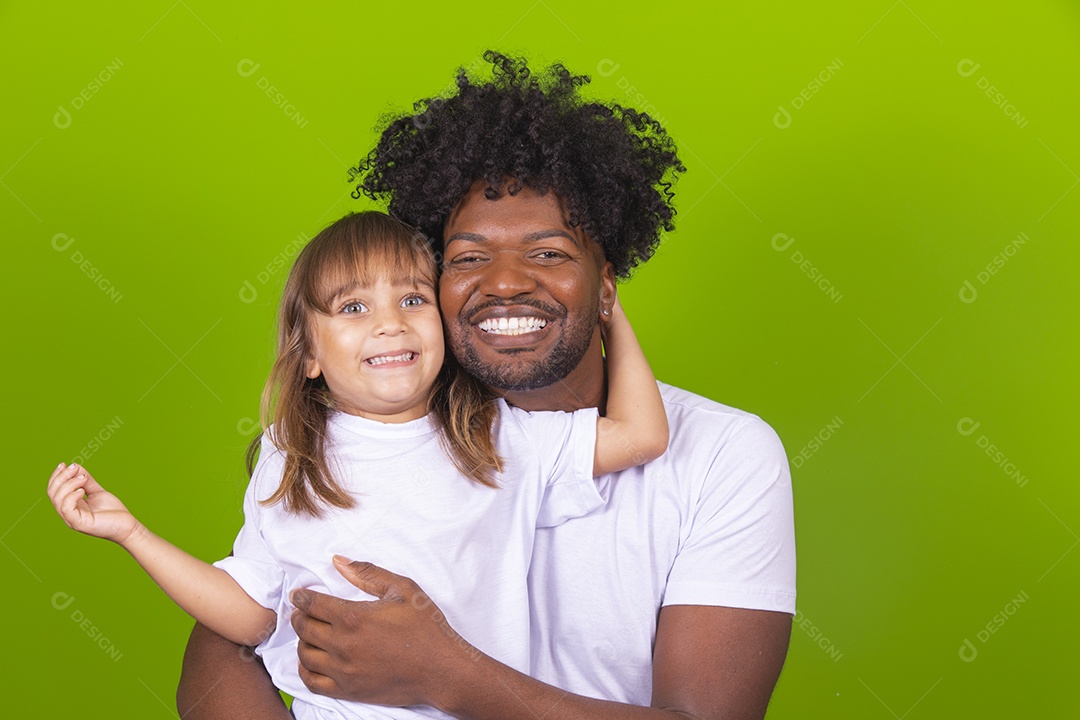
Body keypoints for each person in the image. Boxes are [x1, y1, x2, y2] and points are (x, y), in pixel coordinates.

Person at [177, 51, 796, 720]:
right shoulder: (370, 430)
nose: (504, 282)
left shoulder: (724, 455)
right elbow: (232, 638)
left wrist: (448, 674)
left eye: (548, 253)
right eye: (468, 257)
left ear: (606, 278)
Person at [47, 210, 669, 720]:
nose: (389, 324)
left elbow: (641, 435)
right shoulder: (289, 456)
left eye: (413, 299)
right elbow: (252, 613)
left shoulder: (499, 438)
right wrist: (132, 534)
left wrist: (606, 308)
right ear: (309, 353)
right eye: (352, 308)